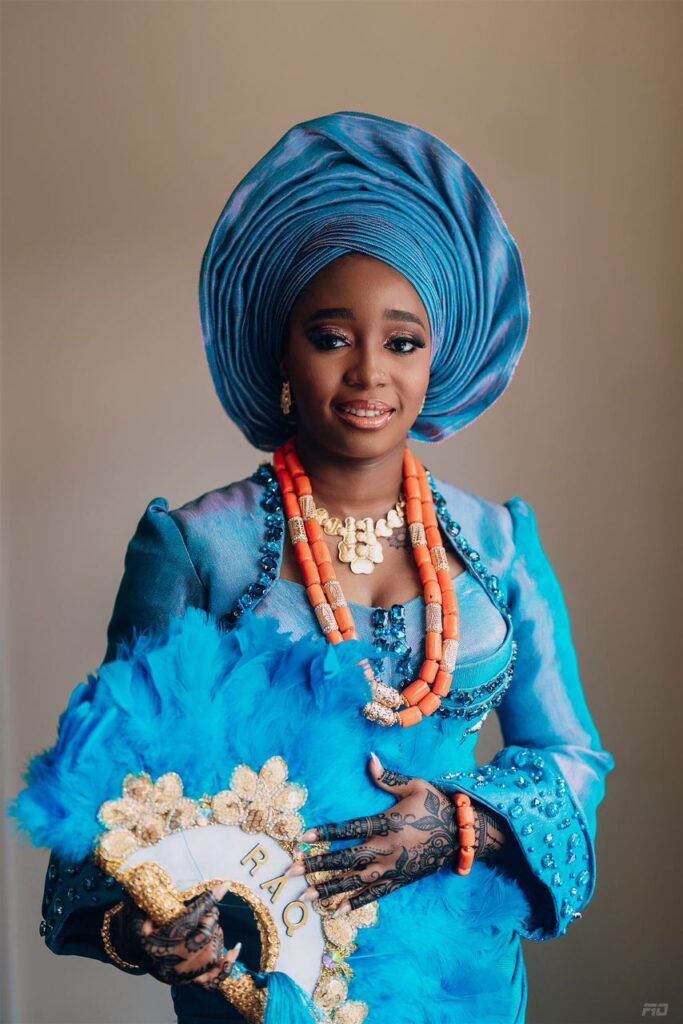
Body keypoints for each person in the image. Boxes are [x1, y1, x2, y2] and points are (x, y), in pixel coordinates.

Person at [37, 111, 615, 1024]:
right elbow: (110, 788)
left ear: (439, 360)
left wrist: (458, 823)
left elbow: (568, 754)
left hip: (463, 984)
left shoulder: (498, 542)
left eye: (401, 341)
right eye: (331, 335)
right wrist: (143, 932)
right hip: (263, 990)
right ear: (280, 350)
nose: (367, 374)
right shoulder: (194, 546)